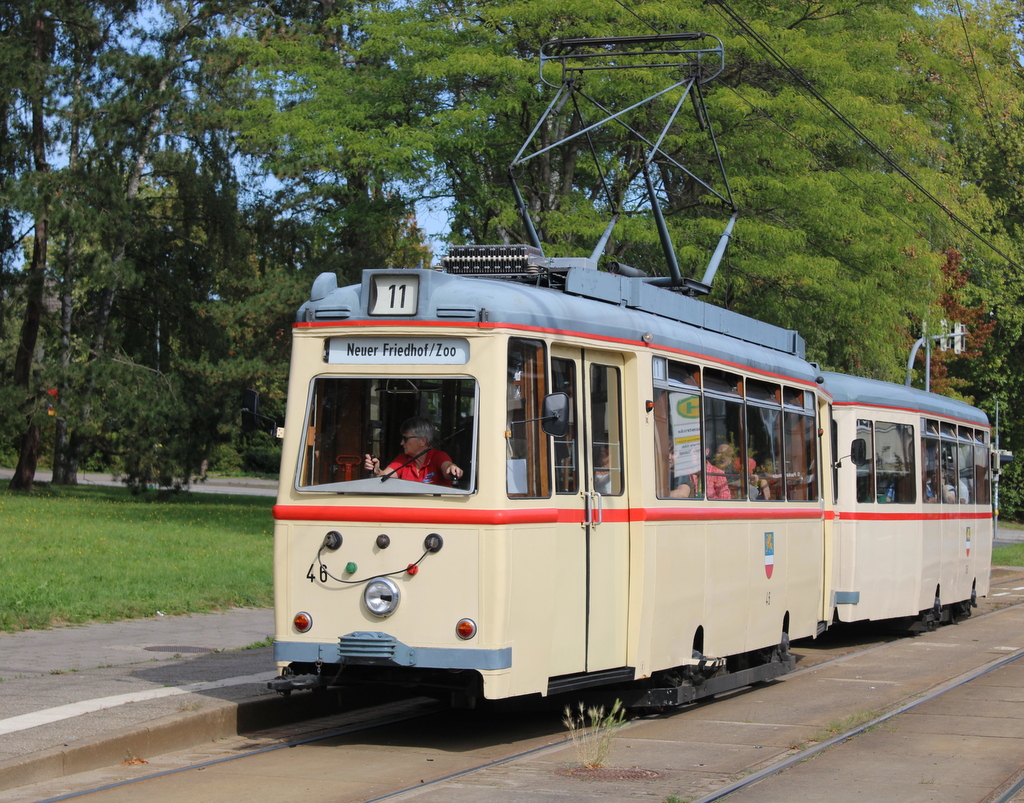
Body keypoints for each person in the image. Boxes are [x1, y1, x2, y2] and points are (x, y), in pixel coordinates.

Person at [364, 417, 463, 486]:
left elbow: (447, 468)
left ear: (422, 441)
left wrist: (452, 468)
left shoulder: (438, 456)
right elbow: (385, 477)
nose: (401, 443)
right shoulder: (403, 458)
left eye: (405, 438)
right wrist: (376, 471)